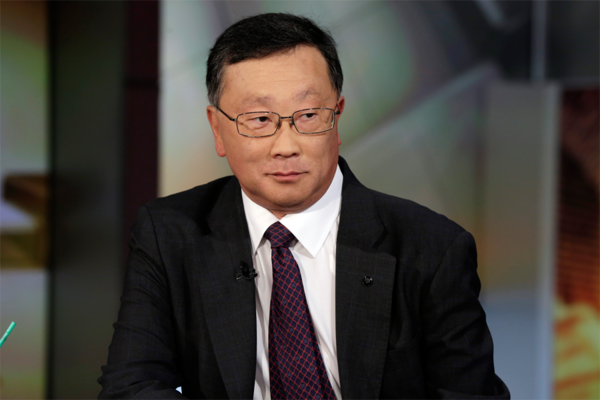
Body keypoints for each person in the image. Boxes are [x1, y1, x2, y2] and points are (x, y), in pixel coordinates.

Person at [99, 13, 510, 400]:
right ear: (217, 129)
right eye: (259, 119)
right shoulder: (169, 233)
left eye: (309, 115)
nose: (286, 146)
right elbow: (130, 386)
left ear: (337, 117)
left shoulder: (432, 248)